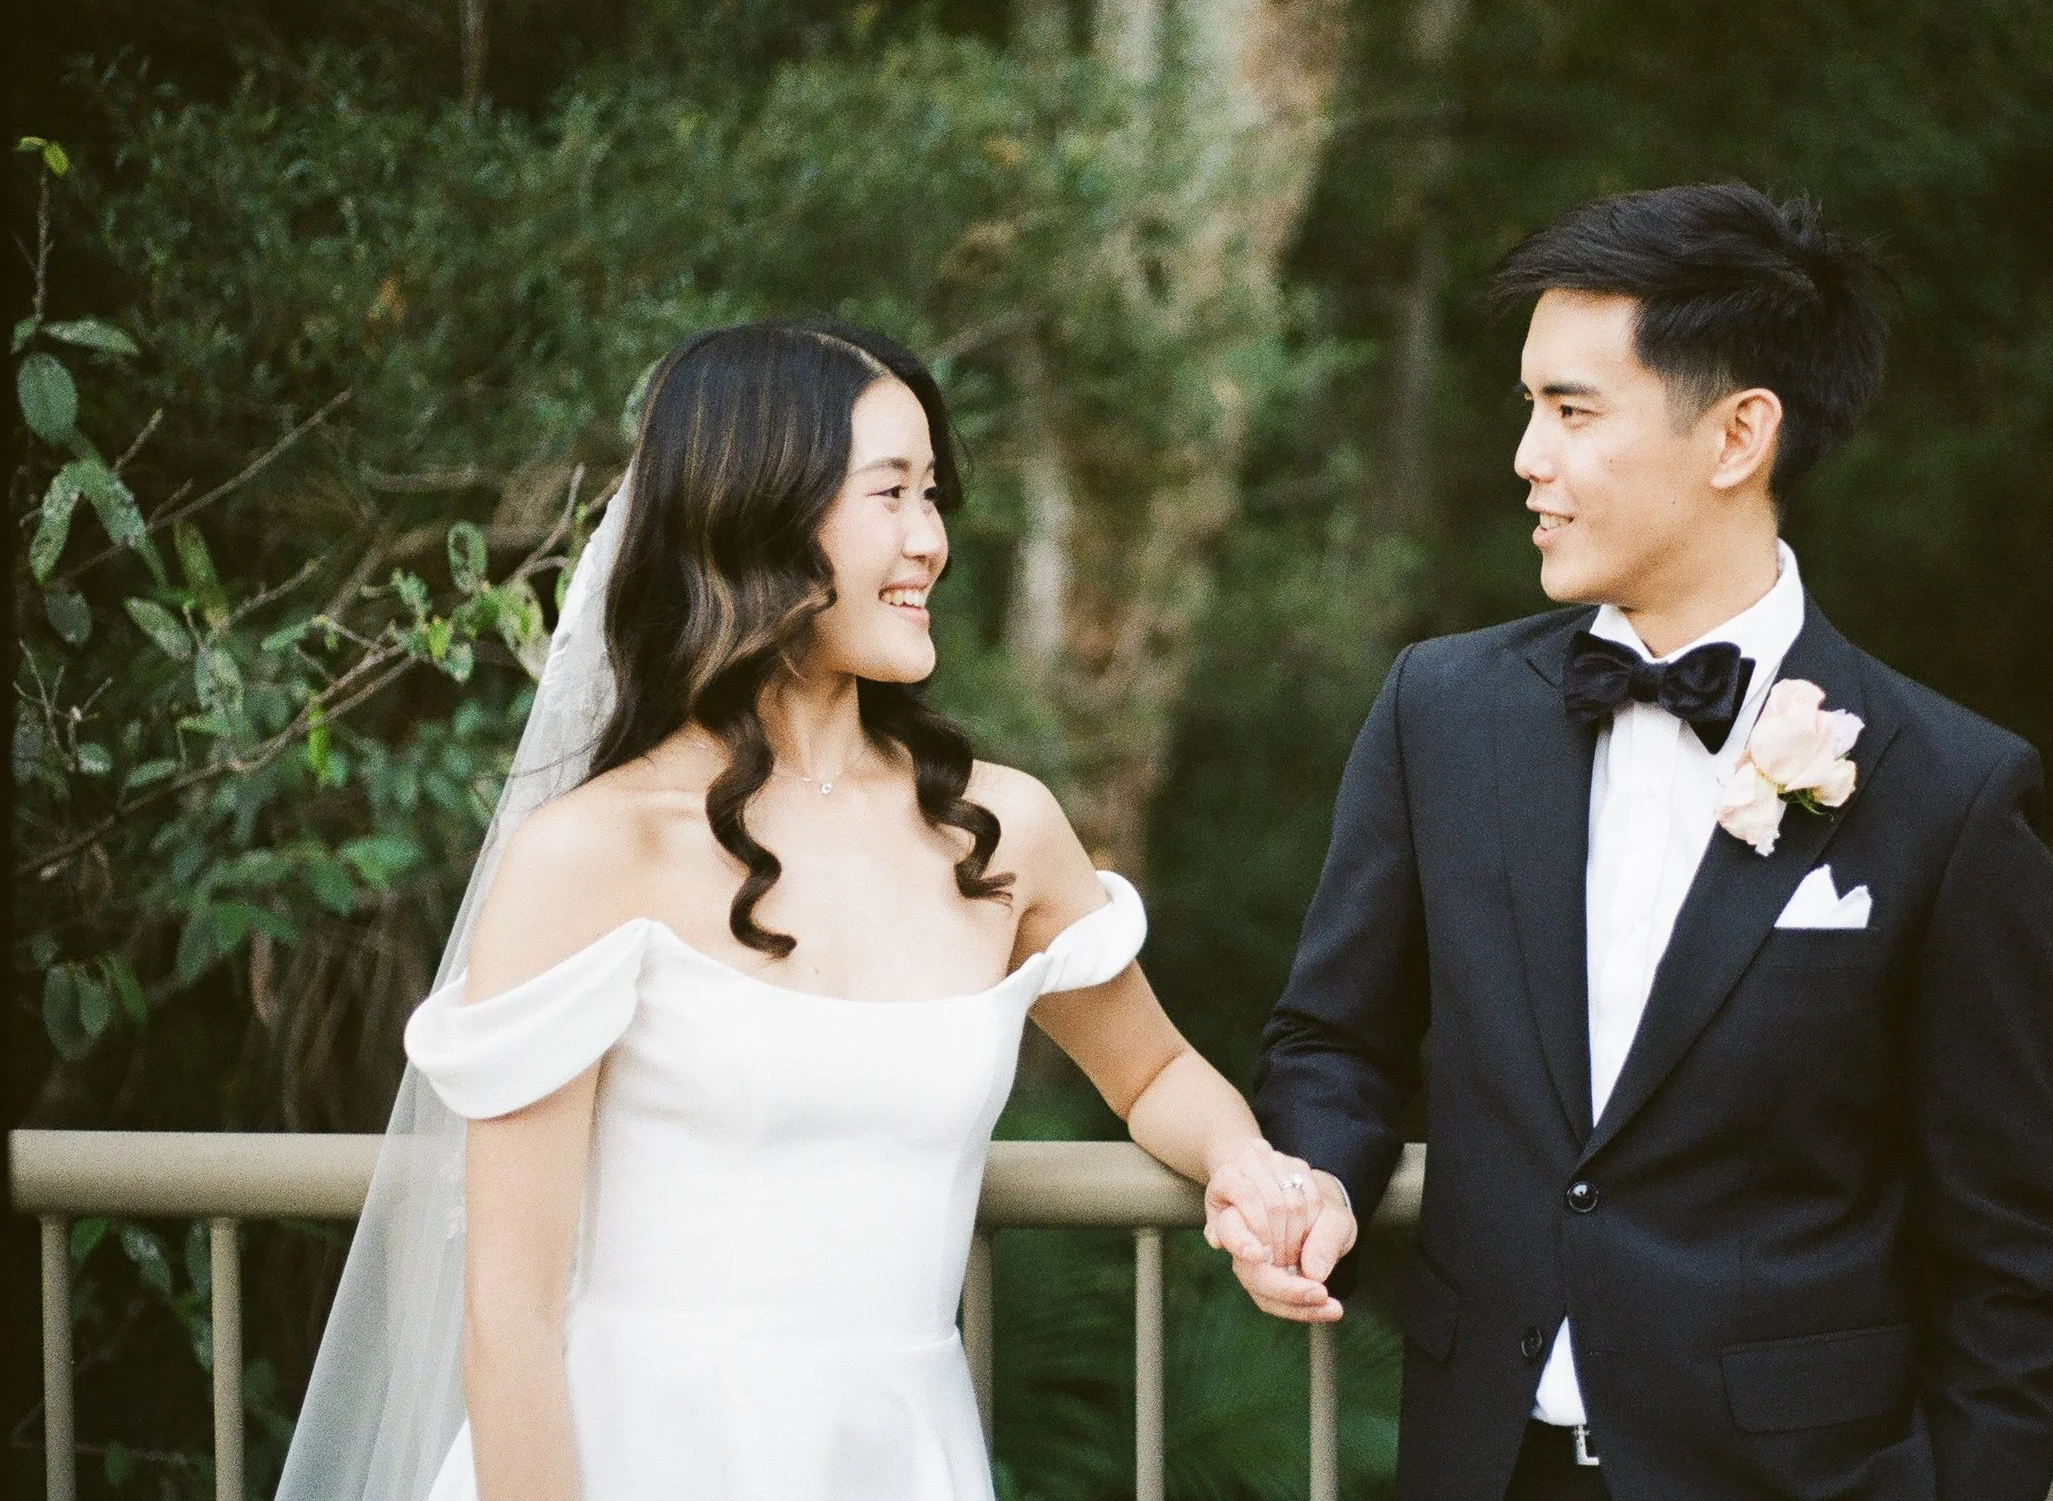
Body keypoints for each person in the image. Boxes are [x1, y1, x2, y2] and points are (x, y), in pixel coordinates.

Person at [277, 321, 1324, 1501]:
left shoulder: (1002, 830)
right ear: (758, 510)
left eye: (933, 494)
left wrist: (1245, 1166)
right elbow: (509, 1319)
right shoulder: (592, 853)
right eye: (890, 492)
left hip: (902, 1459)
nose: (930, 538)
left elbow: (1154, 1072)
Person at [1225, 185, 2053, 1501]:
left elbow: (2010, 1263)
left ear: (1738, 434)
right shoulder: (1438, 712)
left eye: (1572, 412)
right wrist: (1318, 1179)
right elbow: (1332, 1040)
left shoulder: (1953, 790)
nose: (1527, 456)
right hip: (1483, 1465)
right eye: (1528, 407)